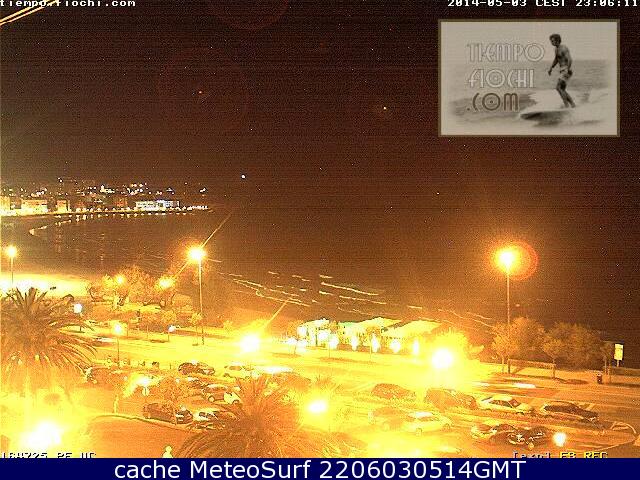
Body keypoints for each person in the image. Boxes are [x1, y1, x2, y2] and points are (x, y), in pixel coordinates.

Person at [548, 33, 576, 108]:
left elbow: (570, 59)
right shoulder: (556, 49)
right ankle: (573, 105)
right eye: (551, 41)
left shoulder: (564, 48)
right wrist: (551, 68)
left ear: (557, 40)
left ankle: (566, 106)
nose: (551, 42)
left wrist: (567, 69)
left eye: (552, 41)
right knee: (562, 89)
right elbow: (556, 59)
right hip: (562, 70)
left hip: (566, 69)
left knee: (558, 87)